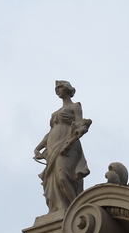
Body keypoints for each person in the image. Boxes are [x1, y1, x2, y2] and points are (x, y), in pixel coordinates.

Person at [33, 81, 92, 213]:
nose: (57, 90)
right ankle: (60, 207)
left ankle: (76, 209)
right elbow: (50, 133)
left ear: (67, 89)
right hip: (52, 146)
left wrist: (72, 140)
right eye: (56, 88)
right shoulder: (56, 113)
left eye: (60, 87)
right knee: (53, 179)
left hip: (67, 144)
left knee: (63, 177)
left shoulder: (75, 106)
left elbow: (79, 125)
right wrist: (38, 148)